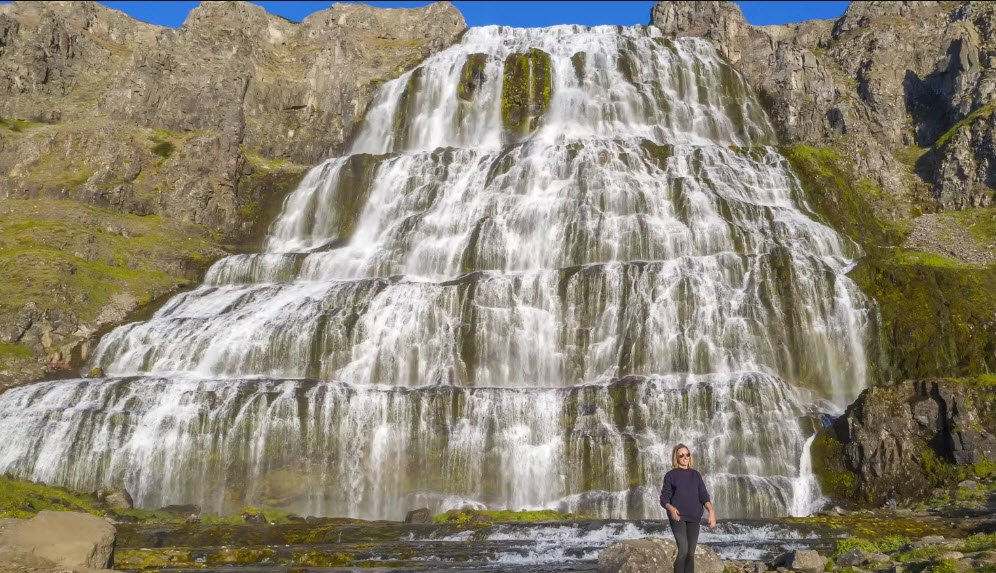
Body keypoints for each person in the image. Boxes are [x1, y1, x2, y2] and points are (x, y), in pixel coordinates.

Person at [659, 443, 716, 573]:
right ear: (676, 458)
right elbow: (664, 498)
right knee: (683, 550)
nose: (685, 457)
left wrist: (711, 512)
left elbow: (703, 495)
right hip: (678, 516)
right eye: (681, 455)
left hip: (694, 517)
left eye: (687, 454)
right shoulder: (670, 475)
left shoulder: (696, 475)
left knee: (690, 553)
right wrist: (671, 509)